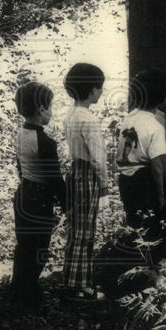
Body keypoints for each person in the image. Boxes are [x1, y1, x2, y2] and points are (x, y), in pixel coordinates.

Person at [10, 81, 66, 311]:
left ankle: (18, 290)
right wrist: (67, 205)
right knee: (39, 247)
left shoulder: (19, 134)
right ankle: (29, 295)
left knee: (24, 245)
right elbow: (54, 178)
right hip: (39, 199)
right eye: (51, 106)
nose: (52, 111)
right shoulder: (45, 142)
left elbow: (20, 167)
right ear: (42, 109)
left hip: (23, 193)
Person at [62, 62, 108, 302]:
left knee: (75, 231)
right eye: (100, 88)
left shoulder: (70, 115)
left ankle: (72, 279)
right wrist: (104, 183)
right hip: (86, 174)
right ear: (91, 90)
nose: (101, 92)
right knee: (85, 233)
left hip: (73, 173)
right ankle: (79, 287)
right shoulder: (88, 118)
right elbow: (98, 156)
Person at [116, 69, 166, 240]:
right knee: (151, 227)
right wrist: (163, 194)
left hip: (126, 179)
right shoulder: (154, 125)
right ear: (162, 95)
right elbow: (158, 166)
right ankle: (149, 262)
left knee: (135, 224)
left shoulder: (130, 118)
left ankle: (137, 260)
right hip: (144, 180)